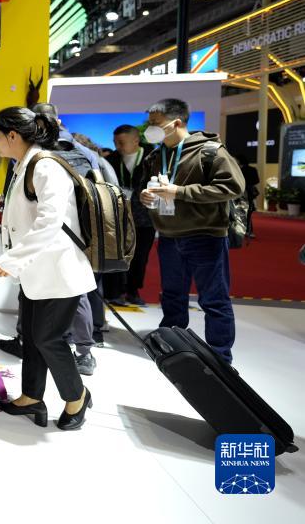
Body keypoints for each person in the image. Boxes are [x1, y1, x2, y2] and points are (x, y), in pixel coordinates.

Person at [0, 107, 95, 431]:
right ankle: (32, 396)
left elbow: (50, 223)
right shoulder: (24, 165)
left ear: (12, 135)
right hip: (38, 272)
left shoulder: (45, 166)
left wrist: (12, 259)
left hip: (59, 271)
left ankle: (77, 396)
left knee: (48, 338)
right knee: (33, 338)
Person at [137, 98, 245, 363]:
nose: (150, 129)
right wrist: (145, 197)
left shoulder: (209, 151)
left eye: (156, 123)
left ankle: (220, 358)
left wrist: (180, 192)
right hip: (169, 237)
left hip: (205, 236)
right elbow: (148, 188)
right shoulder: (156, 156)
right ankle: (172, 347)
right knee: (172, 297)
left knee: (214, 300)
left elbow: (232, 187)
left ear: (176, 123)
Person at [105, 125, 153, 307]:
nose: (117, 146)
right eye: (115, 142)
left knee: (140, 257)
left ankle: (133, 291)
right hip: (118, 216)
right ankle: (115, 293)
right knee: (117, 255)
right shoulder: (111, 160)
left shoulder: (152, 157)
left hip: (144, 218)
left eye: (121, 142)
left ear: (136, 140)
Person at [235, 154, 260, 239]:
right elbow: (257, 180)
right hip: (249, 193)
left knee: (240, 211)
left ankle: (240, 230)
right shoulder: (253, 169)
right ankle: (249, 231)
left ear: (239, 160)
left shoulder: (238, 169)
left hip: (241, 193)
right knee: (248, 212)